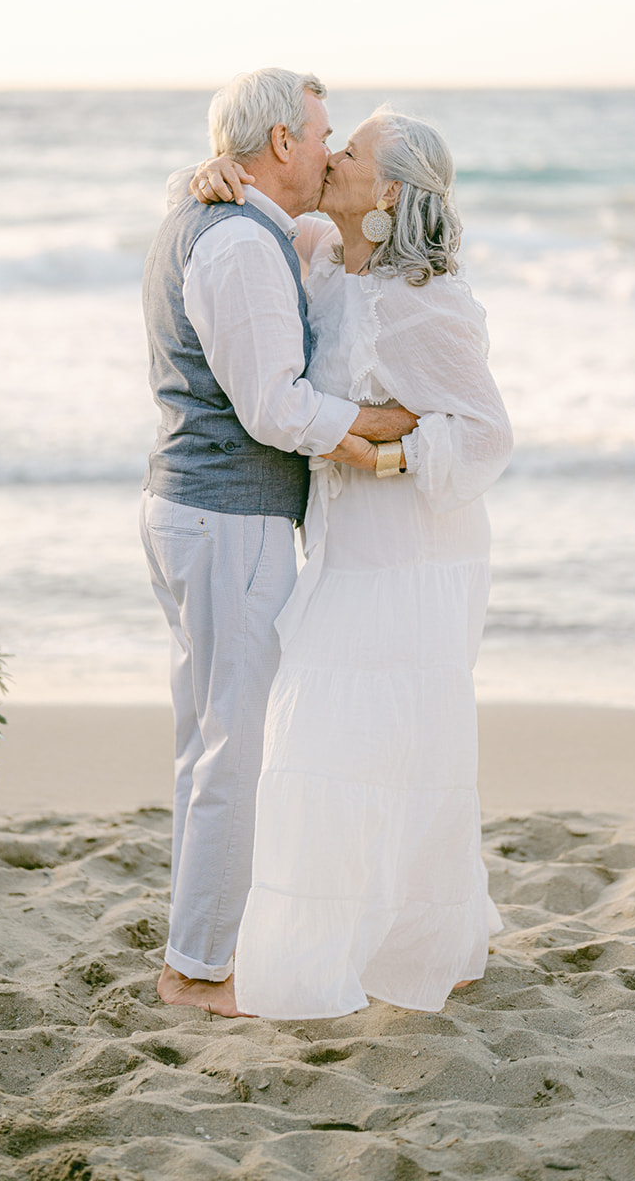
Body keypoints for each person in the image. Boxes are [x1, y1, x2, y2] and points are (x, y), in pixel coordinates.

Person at [190, 104, 513, 1018]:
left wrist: (384, 455)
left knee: (379, 739)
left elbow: (487, 436)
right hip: (340, 546)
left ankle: (398, 943)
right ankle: (367, 936)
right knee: (347, 740)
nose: (329, 155)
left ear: (389, 193)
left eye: (352, 151)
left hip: (413, 555)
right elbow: (239, 215)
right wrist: (203, 176)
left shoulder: (430, 307)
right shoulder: (321, 258)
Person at [140, 69, 419, 1017]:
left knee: (208, 740)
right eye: (321, 131)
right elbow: (273, 408)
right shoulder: (239, 248)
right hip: (231, 520)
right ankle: (199, 970)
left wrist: (195, 174)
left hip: (199, 513)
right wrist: (374, 425)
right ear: (280, 146)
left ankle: (196, 946)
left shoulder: (226, 223)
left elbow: (304, 254)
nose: (331, 145)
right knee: (235, 748)